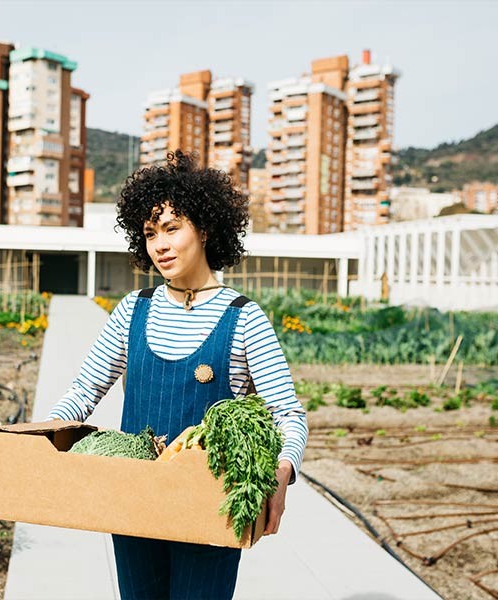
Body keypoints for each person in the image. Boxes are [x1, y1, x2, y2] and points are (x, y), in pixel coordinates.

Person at [46, 151, 308, 600]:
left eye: (172, 228)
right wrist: (44, 440)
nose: (160, 245)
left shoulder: (243, 319)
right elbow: (85, 390)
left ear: (204, 229)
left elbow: (288, 414)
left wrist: (282, 475)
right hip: (134, 504)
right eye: (150, 233)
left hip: (211, 505)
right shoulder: (133, 310)